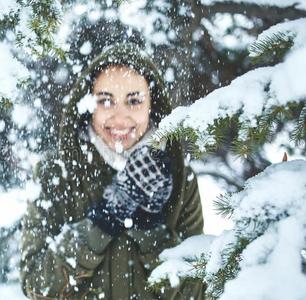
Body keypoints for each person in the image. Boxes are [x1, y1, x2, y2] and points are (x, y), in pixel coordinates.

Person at [20, 44, 204, 299]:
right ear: (88, 105)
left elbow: (196, 291)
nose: (120, 118)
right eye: (106, 101)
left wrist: (150, 230)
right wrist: (101, 223)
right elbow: (37, 286)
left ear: (152, 104)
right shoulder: (55, 173)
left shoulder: (181, 178)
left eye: (134, 100)